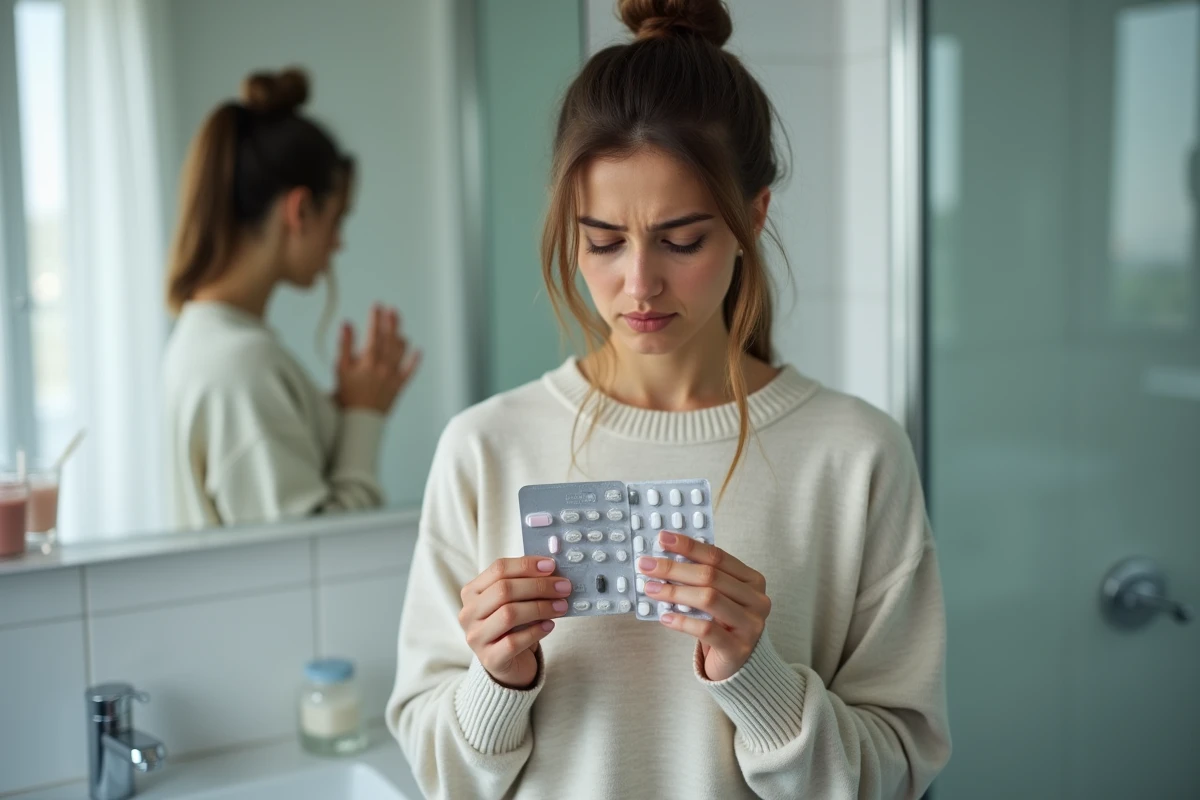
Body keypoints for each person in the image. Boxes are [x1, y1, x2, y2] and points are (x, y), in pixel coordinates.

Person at [387, 1, 950, 797]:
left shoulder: (856, 457)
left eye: (683, 239)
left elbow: (899, 769)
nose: (639, 283)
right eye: (603, 240)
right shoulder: (484, 448)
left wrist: (758, 682)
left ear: (752, 217)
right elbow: (436, 767)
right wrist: (498, 683)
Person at [163, 68, 419, 528]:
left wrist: (337, 412)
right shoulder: (240, 364)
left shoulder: (207, 341)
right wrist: (364, 417)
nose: (338, 244)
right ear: (300, 210)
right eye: (337, 220)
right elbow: (314, 557)